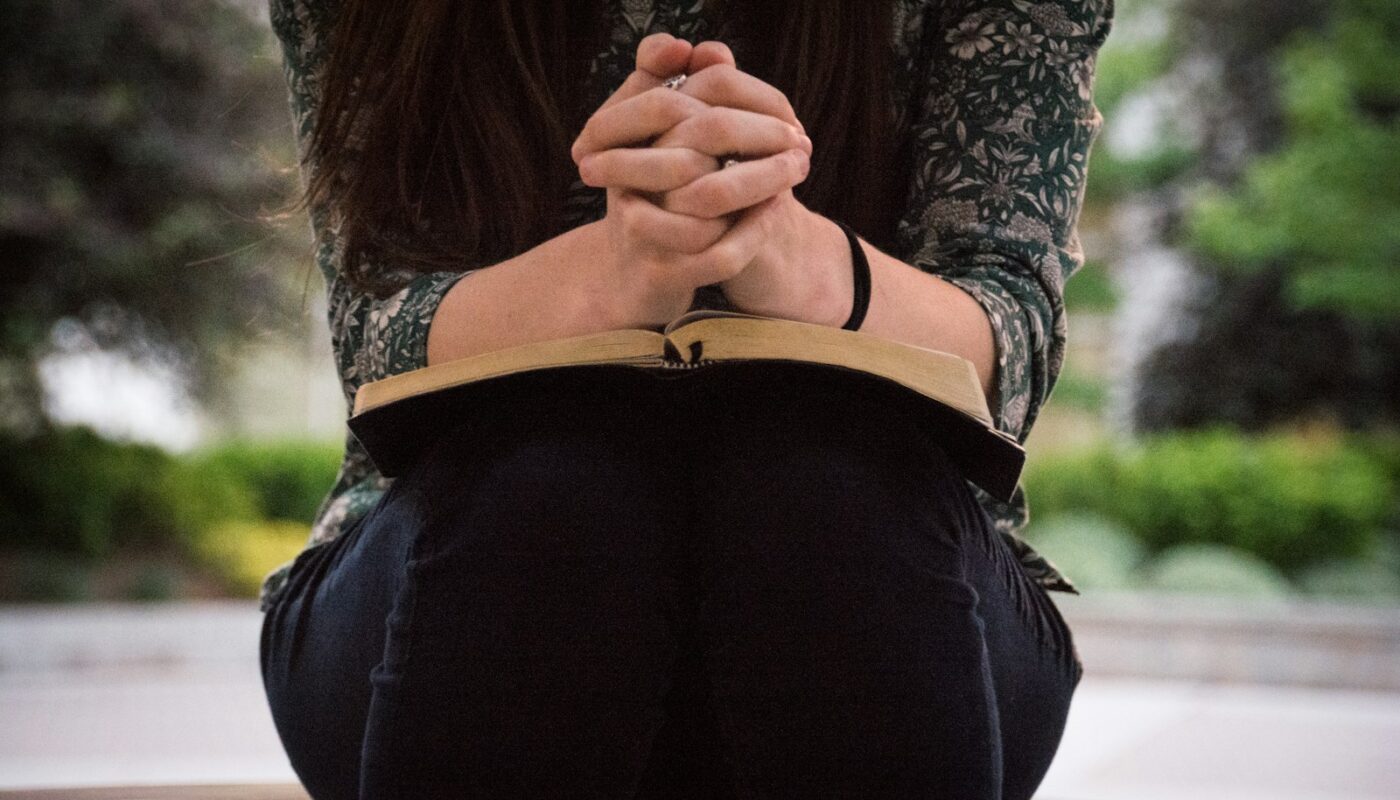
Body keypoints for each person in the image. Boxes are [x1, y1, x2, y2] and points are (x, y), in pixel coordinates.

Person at [258, 0, 1113, 797]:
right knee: (553, 491)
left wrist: (791, 254)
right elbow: (372, 345)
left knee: (821, 490)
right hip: (461, 582)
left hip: (891, 585)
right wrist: (611, 271)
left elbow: (1013, 348)